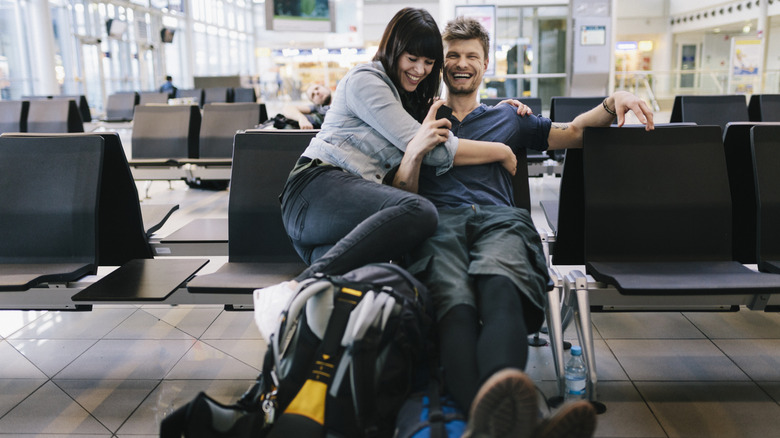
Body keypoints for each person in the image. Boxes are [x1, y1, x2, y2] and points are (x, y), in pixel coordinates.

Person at [397, 16, 654, 438]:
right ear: (441, 64)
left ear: (486, 65)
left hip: (500, 221)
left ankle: (490, 424)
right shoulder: (413, 117)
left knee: (502, 288)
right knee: (453, 299)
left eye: (472, 57)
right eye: (454, 56)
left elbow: (572, 133)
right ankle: (517, 426)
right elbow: (396, 179)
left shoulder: (509, 118)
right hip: (436, 221)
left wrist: (614, 101)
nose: (462, 64)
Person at [260, 8, 517, 300]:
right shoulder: (365, 80)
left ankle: (296, 327)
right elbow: (426, 148)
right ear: (392, 50)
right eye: (412, 59)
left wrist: (498, 110)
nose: (420, 69)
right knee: (419, 212)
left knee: (361, 285)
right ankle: (290, 292)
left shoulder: (409, 100)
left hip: (336, 226)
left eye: (428, 62)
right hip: (314, 193)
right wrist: (501, 151)